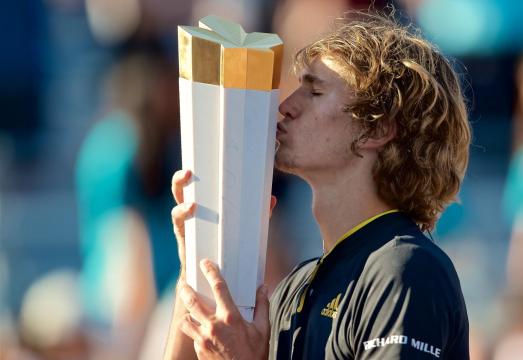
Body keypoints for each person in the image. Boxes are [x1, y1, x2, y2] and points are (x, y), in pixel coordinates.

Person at [164, 11, 471, 360]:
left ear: (378, 129)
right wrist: (195, 266)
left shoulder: (405, 269)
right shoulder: (296, 288)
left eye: (314, 91)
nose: (286, 106)